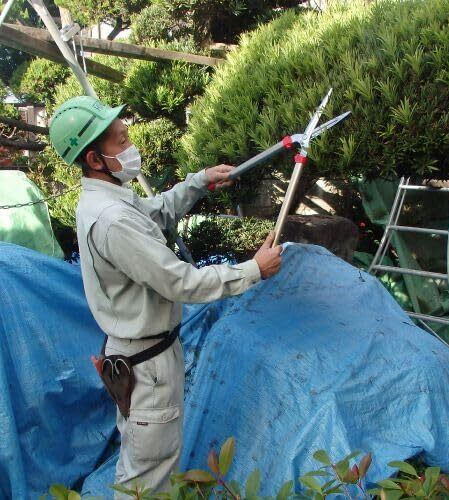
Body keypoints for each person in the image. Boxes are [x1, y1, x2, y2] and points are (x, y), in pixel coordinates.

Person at [49, 96, 282, 496]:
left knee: (146, 463)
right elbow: (181, 283)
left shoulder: (110, 199)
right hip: (147, 366)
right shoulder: (113, 220)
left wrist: (198, 182)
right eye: (121, 141)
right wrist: (253, 270)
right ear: (93, 159)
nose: (131, 146)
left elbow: (153, 213)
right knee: (148, 479)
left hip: (138, 355)